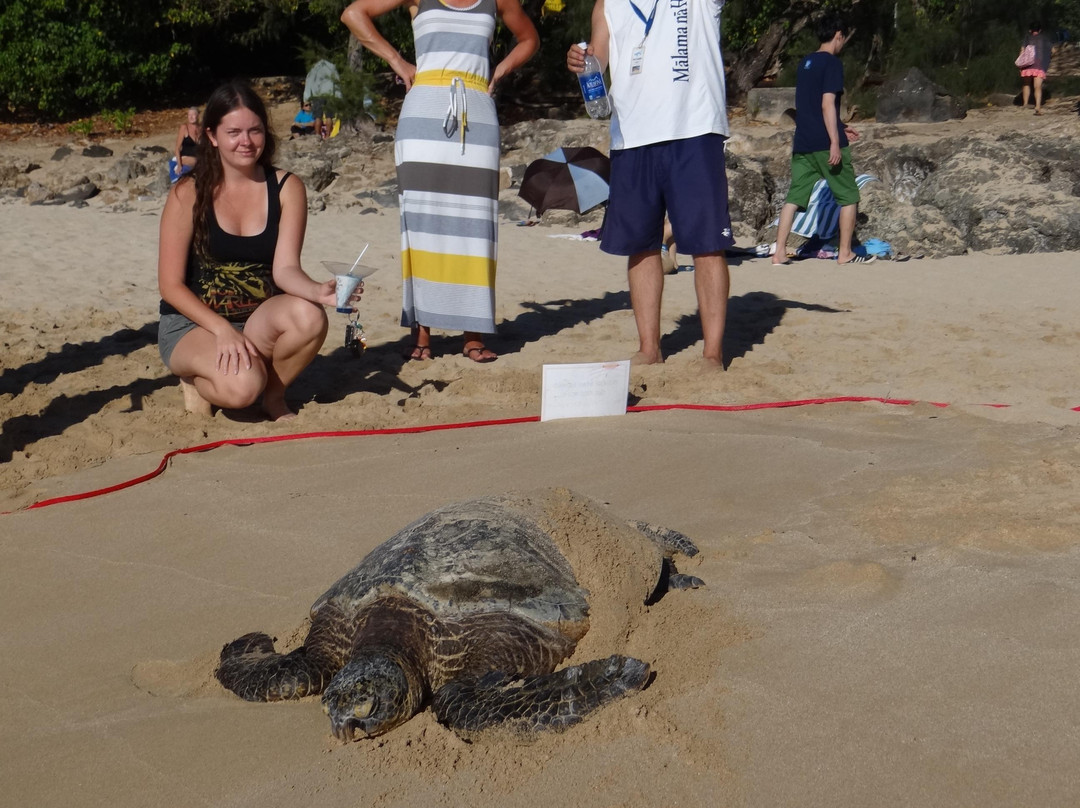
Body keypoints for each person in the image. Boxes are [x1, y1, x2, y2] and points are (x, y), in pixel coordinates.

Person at [341, 0, 538, 363]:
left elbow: (529, 39)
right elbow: (353, 14)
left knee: (476, 223)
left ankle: (473, 333)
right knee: (421, 224)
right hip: (424, 111)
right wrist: (398, 62)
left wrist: (499, 72)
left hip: (476, 110)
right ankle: (422, 334)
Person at [157, 80, 350, 421]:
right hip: (194, 323)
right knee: (242, 388)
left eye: (255, 131)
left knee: (309, 316)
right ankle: (197, 379)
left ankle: (274, 398)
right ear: (212, 136)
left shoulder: (287, 188)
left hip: (258, 319)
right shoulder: (188, 192)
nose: (245, 142)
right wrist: (222, 330)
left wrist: (318, 291)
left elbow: (285, 270)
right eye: (233, 132)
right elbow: (170, 286)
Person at [568, 0, 734, 368]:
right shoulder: (607, 4)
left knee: (707, 244)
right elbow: (598, 58)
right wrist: (581, 62)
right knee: (640, 244)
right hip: (632, 135)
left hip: (695, 128)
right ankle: (649, 349)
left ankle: (712, 352)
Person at [772, 13, 873, 266]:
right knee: (849, 196)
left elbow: (809, 105)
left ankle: (779, 252)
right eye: (843, 38)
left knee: (794, 198)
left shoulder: (806, 62)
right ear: (838, 35)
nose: (843, 43)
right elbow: (827, 103)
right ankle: (845, 253)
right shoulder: (832, 64)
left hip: (803, 141)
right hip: (824, 143)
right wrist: (835, 141)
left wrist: (842, 125)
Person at [1020, 22, 1053, 115]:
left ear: (1030, 30)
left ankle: (1025, 103)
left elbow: (1022, 50)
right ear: (1040, 30)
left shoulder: (1027, 37)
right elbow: (1053, 50)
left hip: (1027, 64)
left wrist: (1021, 64)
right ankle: (1037, 106)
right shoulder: (1045, 38)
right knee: (1037, 87)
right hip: (1039, 64)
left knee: (1026, 83)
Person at [174, 107, 200, 172]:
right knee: (198, 161)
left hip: (197, 156)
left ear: (197, 116)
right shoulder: (184, 128)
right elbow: (177, 148)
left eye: (193, 115)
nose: (191, 117)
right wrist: (179, 165)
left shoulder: (200, 128)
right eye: (189, 115)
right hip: (186, 157)